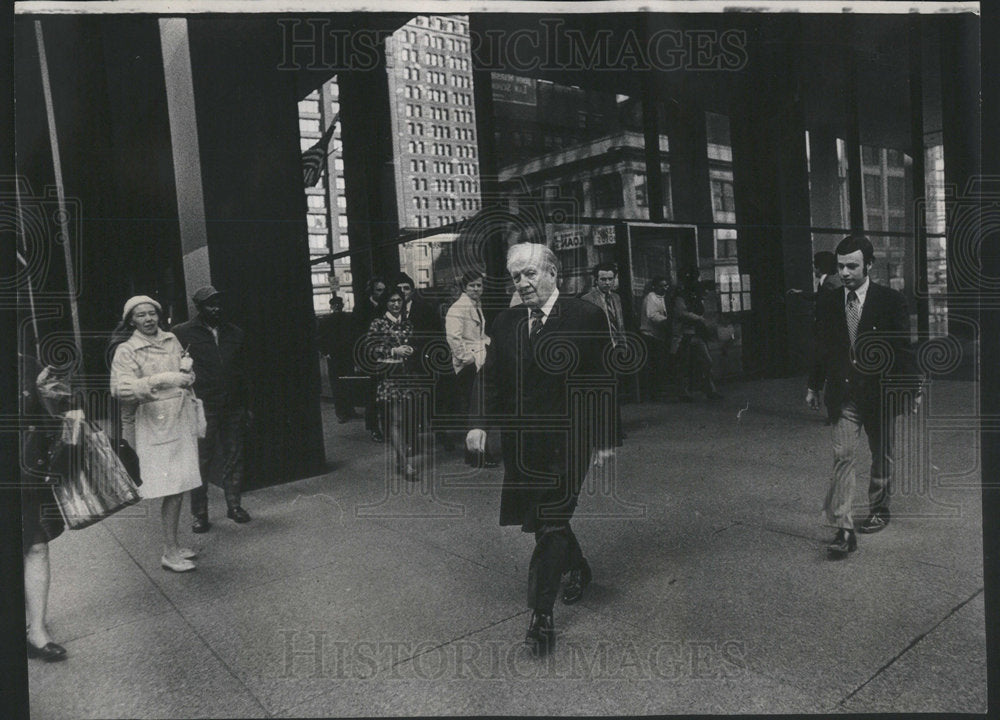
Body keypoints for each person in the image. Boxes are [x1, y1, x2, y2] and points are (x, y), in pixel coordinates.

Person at [467, 243, 614, 655]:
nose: (523, 282)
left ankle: (541, 616)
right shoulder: (506, 320)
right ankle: (579, 568)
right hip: (523, 443)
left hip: (569, 440)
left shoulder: (586, 316)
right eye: (516, 276)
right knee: (541, 519)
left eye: (530, 273)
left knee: (549, 520)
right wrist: (478, 422)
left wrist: (603, 438)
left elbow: (601, 380)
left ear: (554, 273)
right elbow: (490, 377)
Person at [808, 235, 919, 558]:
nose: (844, 272)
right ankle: (843, 529)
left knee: (881, 453)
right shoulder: (828, 301)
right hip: (844, 394)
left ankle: (879, 508)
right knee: (842, 455)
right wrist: (813, 385)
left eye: (852, 266)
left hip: (880, 394)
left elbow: (902, 349)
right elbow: (821, 347)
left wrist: (912, 389)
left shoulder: (890, 300)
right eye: (840, 266)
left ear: (869, 265)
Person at [110, 296, 202, 572]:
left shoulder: (172, 340)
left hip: (181, 419)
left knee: (182, 483)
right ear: (131, 321)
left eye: (152, 313)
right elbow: (119, 389)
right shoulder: (127, 350)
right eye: (141, 315)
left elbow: (183, 373)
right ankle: (169, 552)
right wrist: (163, 380)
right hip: (155, 424)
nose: (149, 319)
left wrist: (188, 376)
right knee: (171, 489)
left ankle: (174, 545)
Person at [172, 286, 251, 533]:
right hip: (202, 407)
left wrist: (247, 405)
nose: (216, 308)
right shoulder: (182, 333)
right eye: (210, 304)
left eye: (218, 303)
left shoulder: (235, 332)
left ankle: (234, 506)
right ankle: (200, 514)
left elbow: (244, 372)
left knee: (234, 457)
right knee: (200, 462)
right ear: (199, 307)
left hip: (233, 406)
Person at [20, 353, 69, 661]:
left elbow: (53, 411)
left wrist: (50, 394)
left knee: (36, 547)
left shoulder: (24, 362)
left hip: (23, 470)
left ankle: (37, 631)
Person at [366, 285, 424, 482]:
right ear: (385, 303)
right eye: (392, 301)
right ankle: (405, 463)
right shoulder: (378, 324)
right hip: (390, 377)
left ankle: (401, 460)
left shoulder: (407, 324)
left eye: (399, 301)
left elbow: (416, 344)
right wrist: (393, 351)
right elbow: (371, 349)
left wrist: (410, 350)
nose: (396, 304)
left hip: (407, 377)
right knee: (396, 420)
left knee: (407, 420)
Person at [444, 269, 496, 465]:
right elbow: (453, 338)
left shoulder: (475, 305)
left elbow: (480, 335)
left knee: (479, 408)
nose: (476, 289)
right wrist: (468, 359)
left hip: (479, 359)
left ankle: (477, 452)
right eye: (472, 285)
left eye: (479, 285)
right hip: (468, 365)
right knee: (474, 409)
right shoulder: (458, 308)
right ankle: (476, 454)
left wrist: (489, 347)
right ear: (464, 287)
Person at [789, 251, 844, 424]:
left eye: (815, 265)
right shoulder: (827, 282)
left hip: (830, 338)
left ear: (821, 267)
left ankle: (835, 415)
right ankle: (835, 413)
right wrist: (801, 293)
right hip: (827, 338)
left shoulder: (831, 284)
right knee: (827, 374)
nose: (813, 268)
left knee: (830, 375)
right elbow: (820, 299)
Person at [581, 261, 626, 445]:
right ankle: (601, 430)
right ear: (595, 280)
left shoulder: (616, 298)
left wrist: (623, 345)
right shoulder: (587, 299)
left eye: (610, 279)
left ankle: (616, 429)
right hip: (598, 350)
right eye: (603, 279)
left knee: (614, 388)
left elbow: (620, 322)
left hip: (615, 347)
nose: (606, 283)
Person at [673, 267, 722, 401]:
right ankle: (686, 392)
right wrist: (699, 318)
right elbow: (681, 313)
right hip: (686, 334)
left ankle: (707, 388)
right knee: (685, 363)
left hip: (694, 334)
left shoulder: (691, 295)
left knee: (705, 361)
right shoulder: (681, 296)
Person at [317, 295, 360, 423]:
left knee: (340, 385)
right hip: (342, 356)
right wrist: (326, 352)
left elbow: (320, 338)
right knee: (344, 384)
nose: (337, 307)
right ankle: (346, 411)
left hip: (337, 356)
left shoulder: (326, 320)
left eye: (337, 305)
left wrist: (326, 352)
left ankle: (344, 412)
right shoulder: (348, 318)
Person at [356, 277, 387, 442]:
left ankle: (386, 426)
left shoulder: (385, 306)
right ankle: (374, 428)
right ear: (371, 291)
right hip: (369, 357)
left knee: (385, 393)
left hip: (385, 355)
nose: (382, 293)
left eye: (383, 290)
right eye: (379, 290)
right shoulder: (361, 308)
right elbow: (357, 335)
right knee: (371, 394)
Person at [638, 276, 671, 400]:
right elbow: (652, 315)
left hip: (658, 335)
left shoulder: (663, 298)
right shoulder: (651, 297)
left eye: (666, 285)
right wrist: (667, 321)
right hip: (650, 335)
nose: (665, 288)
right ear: (655, 286)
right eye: (662, 285)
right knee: (654, 364)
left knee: (659, 364)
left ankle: (658, 390)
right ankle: (653, 392)